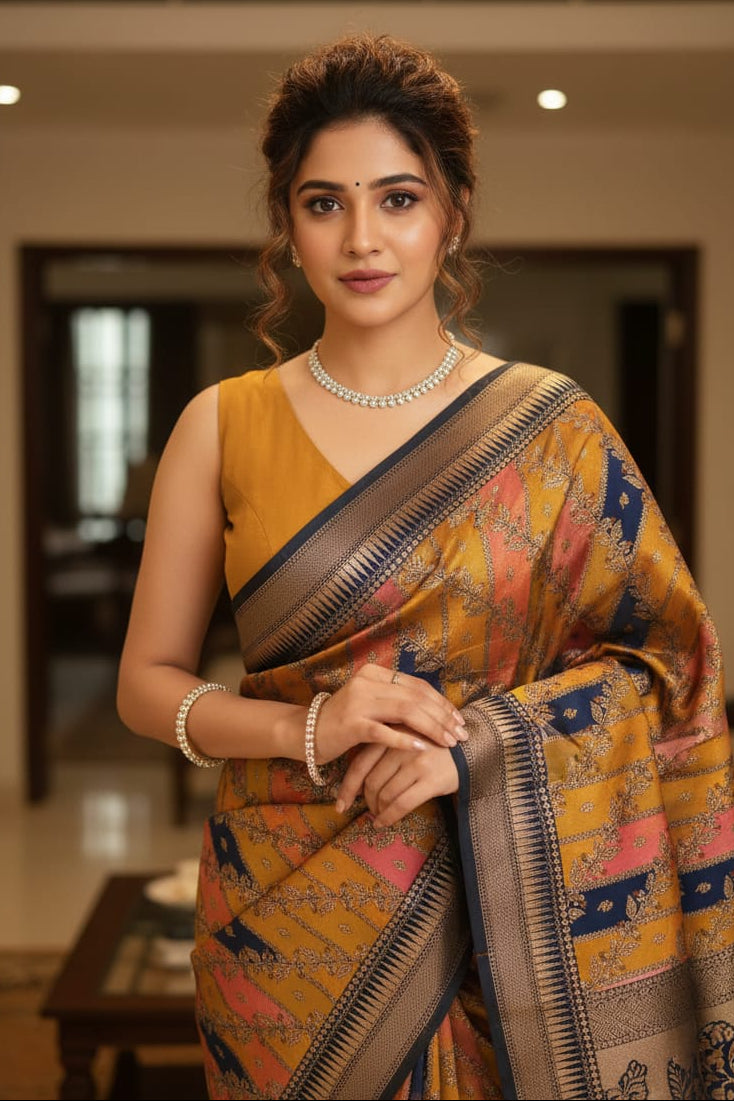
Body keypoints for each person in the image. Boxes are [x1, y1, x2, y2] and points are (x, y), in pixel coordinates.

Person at [116, 32, 734, 1101]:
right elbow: (144, 684)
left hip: (509, 919)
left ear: (450, 214)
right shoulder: (220, 426)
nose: (361, 238)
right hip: (288, 924)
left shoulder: (552, 429)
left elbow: (669, 672)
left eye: (395, 199)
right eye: (323, 203)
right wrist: (307, 727)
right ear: (287, 225)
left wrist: (479, 754)